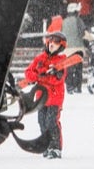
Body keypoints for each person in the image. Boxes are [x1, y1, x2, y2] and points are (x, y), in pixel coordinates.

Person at [21, 23, 72, 159]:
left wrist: (45, 76)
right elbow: (28, 73)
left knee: (52, 122)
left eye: (56, 42)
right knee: (42, 122)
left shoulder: (62, 61)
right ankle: (47, 145)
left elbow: (57, 80)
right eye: (50, 41)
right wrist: (39, 76)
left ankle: (56, 147)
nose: (51, 44)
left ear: (61, 46)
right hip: (41, 97)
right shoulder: (40, 58)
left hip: (55, 98)